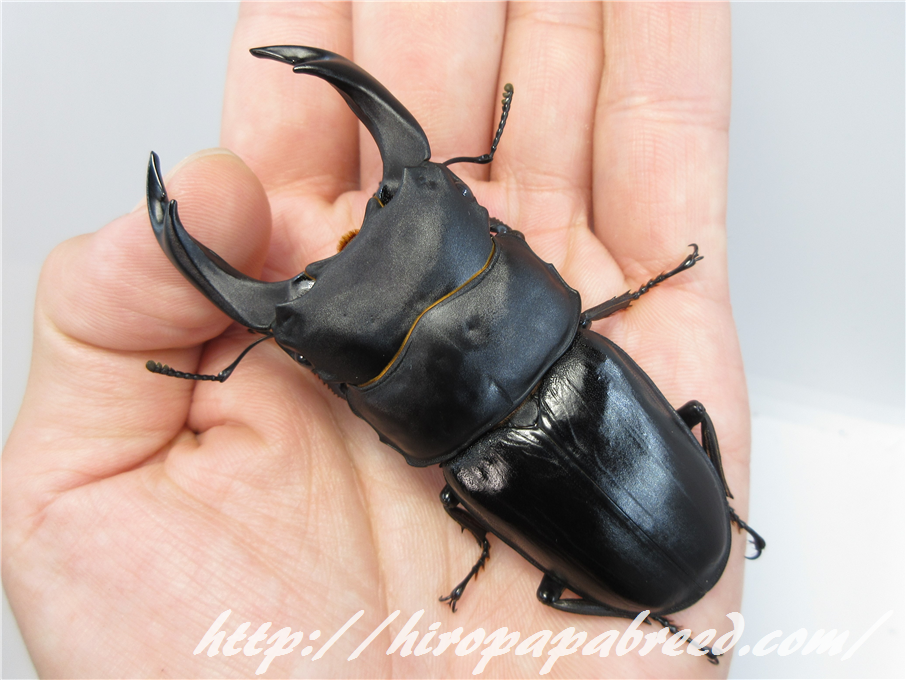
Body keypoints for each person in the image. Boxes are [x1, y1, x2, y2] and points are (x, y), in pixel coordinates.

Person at [1, 1, 750, 676]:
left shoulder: (470, 473)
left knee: (538, 565)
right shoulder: (592, 359)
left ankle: (677, 580)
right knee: (683, 422)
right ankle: (706, 546)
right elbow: (675, 406)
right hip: (662, 507)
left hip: (572, 505)